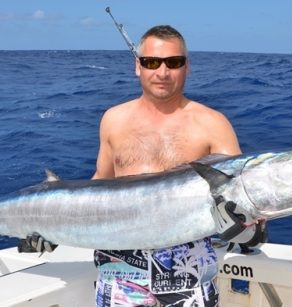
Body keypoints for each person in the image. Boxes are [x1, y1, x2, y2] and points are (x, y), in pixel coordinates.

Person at [90, 25, 241, 307]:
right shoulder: (113, 119)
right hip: (119, 270)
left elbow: (239, 192)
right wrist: (47, 228)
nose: (162, 72)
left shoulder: (212, 123)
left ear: (187, 67)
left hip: (188, 271)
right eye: (151, 62)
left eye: (173, 62)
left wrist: (250, 228)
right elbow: (100, 182)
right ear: (138, 66)